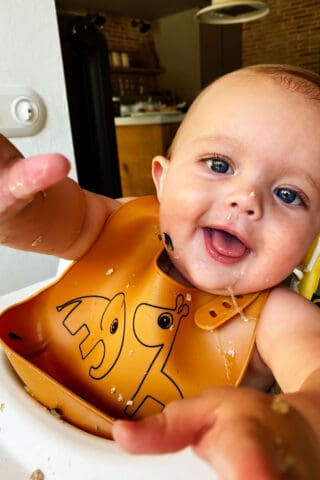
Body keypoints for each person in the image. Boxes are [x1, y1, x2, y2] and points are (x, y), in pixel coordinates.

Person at [1, 64, 320, 478]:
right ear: (162, 180)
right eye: (220, 165)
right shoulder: (112, 225)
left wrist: (298, 424)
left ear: (310, 243)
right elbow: (49, 216)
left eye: (289, 194)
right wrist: (15, 206)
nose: (247, 200)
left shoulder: (278, 318)